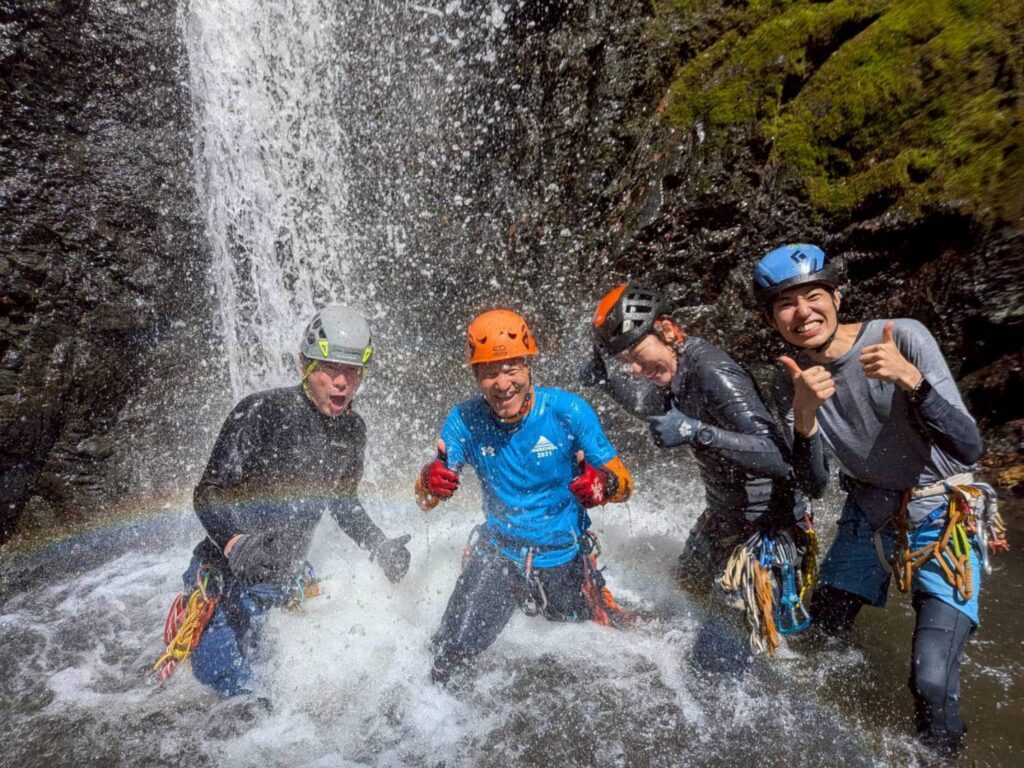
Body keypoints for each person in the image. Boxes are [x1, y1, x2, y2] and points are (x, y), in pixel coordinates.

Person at [753, 243, 993, 750]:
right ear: (772, 319)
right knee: (824, 633)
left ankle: (939, 755)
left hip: (943, 516)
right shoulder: (795, 378)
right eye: (785, 305)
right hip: (867, 515)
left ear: (837, 296)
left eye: (813, 296)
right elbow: (815, 484)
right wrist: (804, 416)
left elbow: (970, 446)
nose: (802, 314)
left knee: (930, 683)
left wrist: (912, 380)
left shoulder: (902, 336)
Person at [166, 305, 412, 696]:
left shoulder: (352, 431)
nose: (342, 383)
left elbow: (343, 502)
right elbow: (208, 492)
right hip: (227, 577)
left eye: (352, 372)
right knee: (229, 696)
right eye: (330, 369)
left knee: (285, 696)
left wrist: (378, 544)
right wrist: (234, 542)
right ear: (304, 364)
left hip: (283, 582)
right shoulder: (261, 410)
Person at [582, 285, 808, 653]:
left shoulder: (713, 373)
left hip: (764, 531)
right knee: (683, 591)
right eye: (626, 362)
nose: (635, 370)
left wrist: (698, 432)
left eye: (637, 355)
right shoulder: (676, 368)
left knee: (715, 660)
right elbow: (651, 404)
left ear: (668, 331)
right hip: (722, 518)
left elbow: (781, 460)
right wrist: (608, 382)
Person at [416, 309, 634, 684]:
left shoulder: (568, 412)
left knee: (604, 657)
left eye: (511, 368)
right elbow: (424, 499)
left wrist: (603, 484)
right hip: (498, 556)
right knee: (445, 660)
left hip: (563, 557)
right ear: (476, 376)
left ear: (529, 365)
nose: (502, 384)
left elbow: (624, 483)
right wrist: (428, 481)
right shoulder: (465, 420)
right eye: (489, 371)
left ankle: (600, 594)